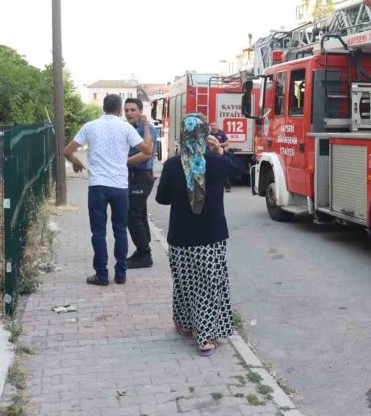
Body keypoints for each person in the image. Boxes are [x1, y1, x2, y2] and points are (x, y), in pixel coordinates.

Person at [155, 112, 246, 356]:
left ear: (183, 135)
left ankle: (185, 324)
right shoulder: (215, 163)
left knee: (184, 283)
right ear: (206, 135)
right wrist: (219, 151)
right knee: (207, 285)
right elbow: (240, 168)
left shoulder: (173, 164)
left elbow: (161, 199)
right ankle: (204, 338)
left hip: (180, 238)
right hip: (210, 238)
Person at [63, 94, 153, 286]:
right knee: (120, 230)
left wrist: (76, 162)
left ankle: (101, 275)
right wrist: (145, 126)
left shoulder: (90, 126)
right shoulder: (126, 127)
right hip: (120, 186)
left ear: (103, 107)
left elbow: (67, 151)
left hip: (97, 186)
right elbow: (146, 150)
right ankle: (121, 274)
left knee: (98, 232)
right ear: (120, 109)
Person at [124, 98, 158, 269]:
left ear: (140, 111)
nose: (129, 113)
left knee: (132, 214)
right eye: (127, 110)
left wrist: (124, 162)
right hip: (133, 176)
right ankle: (143, 250)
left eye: (132, 110)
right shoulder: (129, 128)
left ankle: (144, 254)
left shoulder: (147, 128)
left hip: (142, 176)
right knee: (140, 214)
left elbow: (146, 153)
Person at [209, 121, 232, 192]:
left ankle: (227, 186)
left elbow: (227, 142)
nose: (213, 127)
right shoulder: (208, 134)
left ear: (217, 126)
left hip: (220, 155)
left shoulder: (221, 133)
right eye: (211, 125)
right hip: (210, 155)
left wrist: (220, 145)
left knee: (223, 170)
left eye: (214, 125)